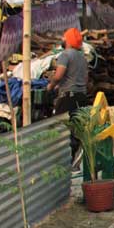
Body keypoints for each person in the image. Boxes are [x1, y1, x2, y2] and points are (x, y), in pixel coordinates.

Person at [47, 27, 88, 157]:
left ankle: (63, 160)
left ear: (68, 41)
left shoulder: (65, 55)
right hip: (81, 97)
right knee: (77, 131)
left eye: (64, 37)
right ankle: (77, 159)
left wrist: (51, 85)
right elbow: (85, 79)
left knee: (61, 130)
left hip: (68, 98)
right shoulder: (82, 58)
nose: (62, 39)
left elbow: (58, 76)